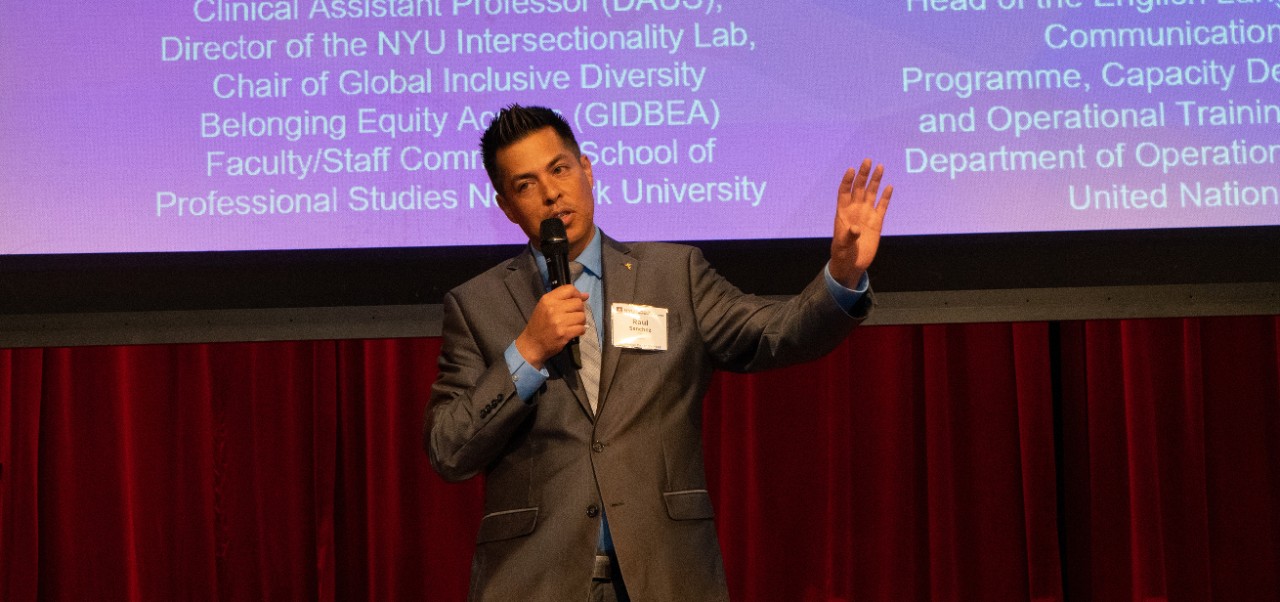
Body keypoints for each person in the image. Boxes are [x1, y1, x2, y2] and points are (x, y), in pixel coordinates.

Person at [424, 105, 892, 601]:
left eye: (560, 169)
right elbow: (448, 449)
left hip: (666, 575)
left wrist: (841, 276)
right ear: (506, 207)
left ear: (586, 170)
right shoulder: (477, 305)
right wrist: (527, 352)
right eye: (525, 184)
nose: (550, 193)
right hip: (534, 583)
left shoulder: (674, 274)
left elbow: (776, 333)